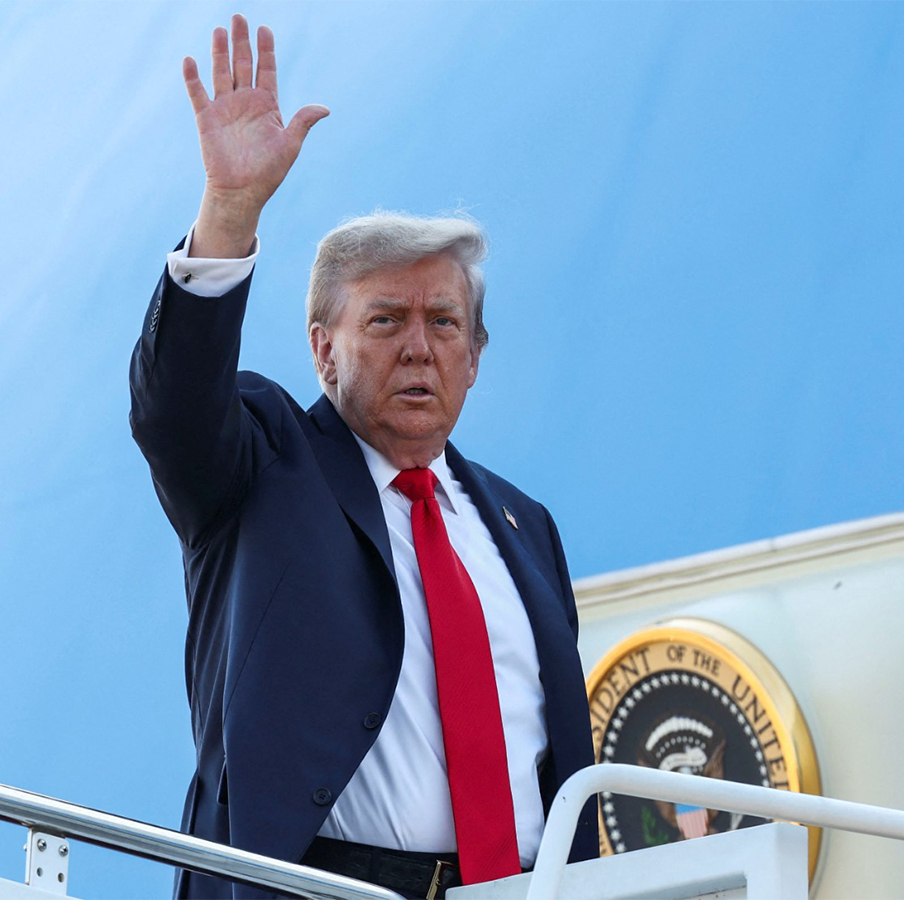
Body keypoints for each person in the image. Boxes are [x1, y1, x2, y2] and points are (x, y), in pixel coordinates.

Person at [129, 15, 597, 900]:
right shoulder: (266, 465)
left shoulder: (523, 526)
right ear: (322, 349)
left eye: (443, 323)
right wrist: (230, 211)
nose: (418, 348)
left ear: (475, 356)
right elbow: (173, 409)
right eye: (385, 320)